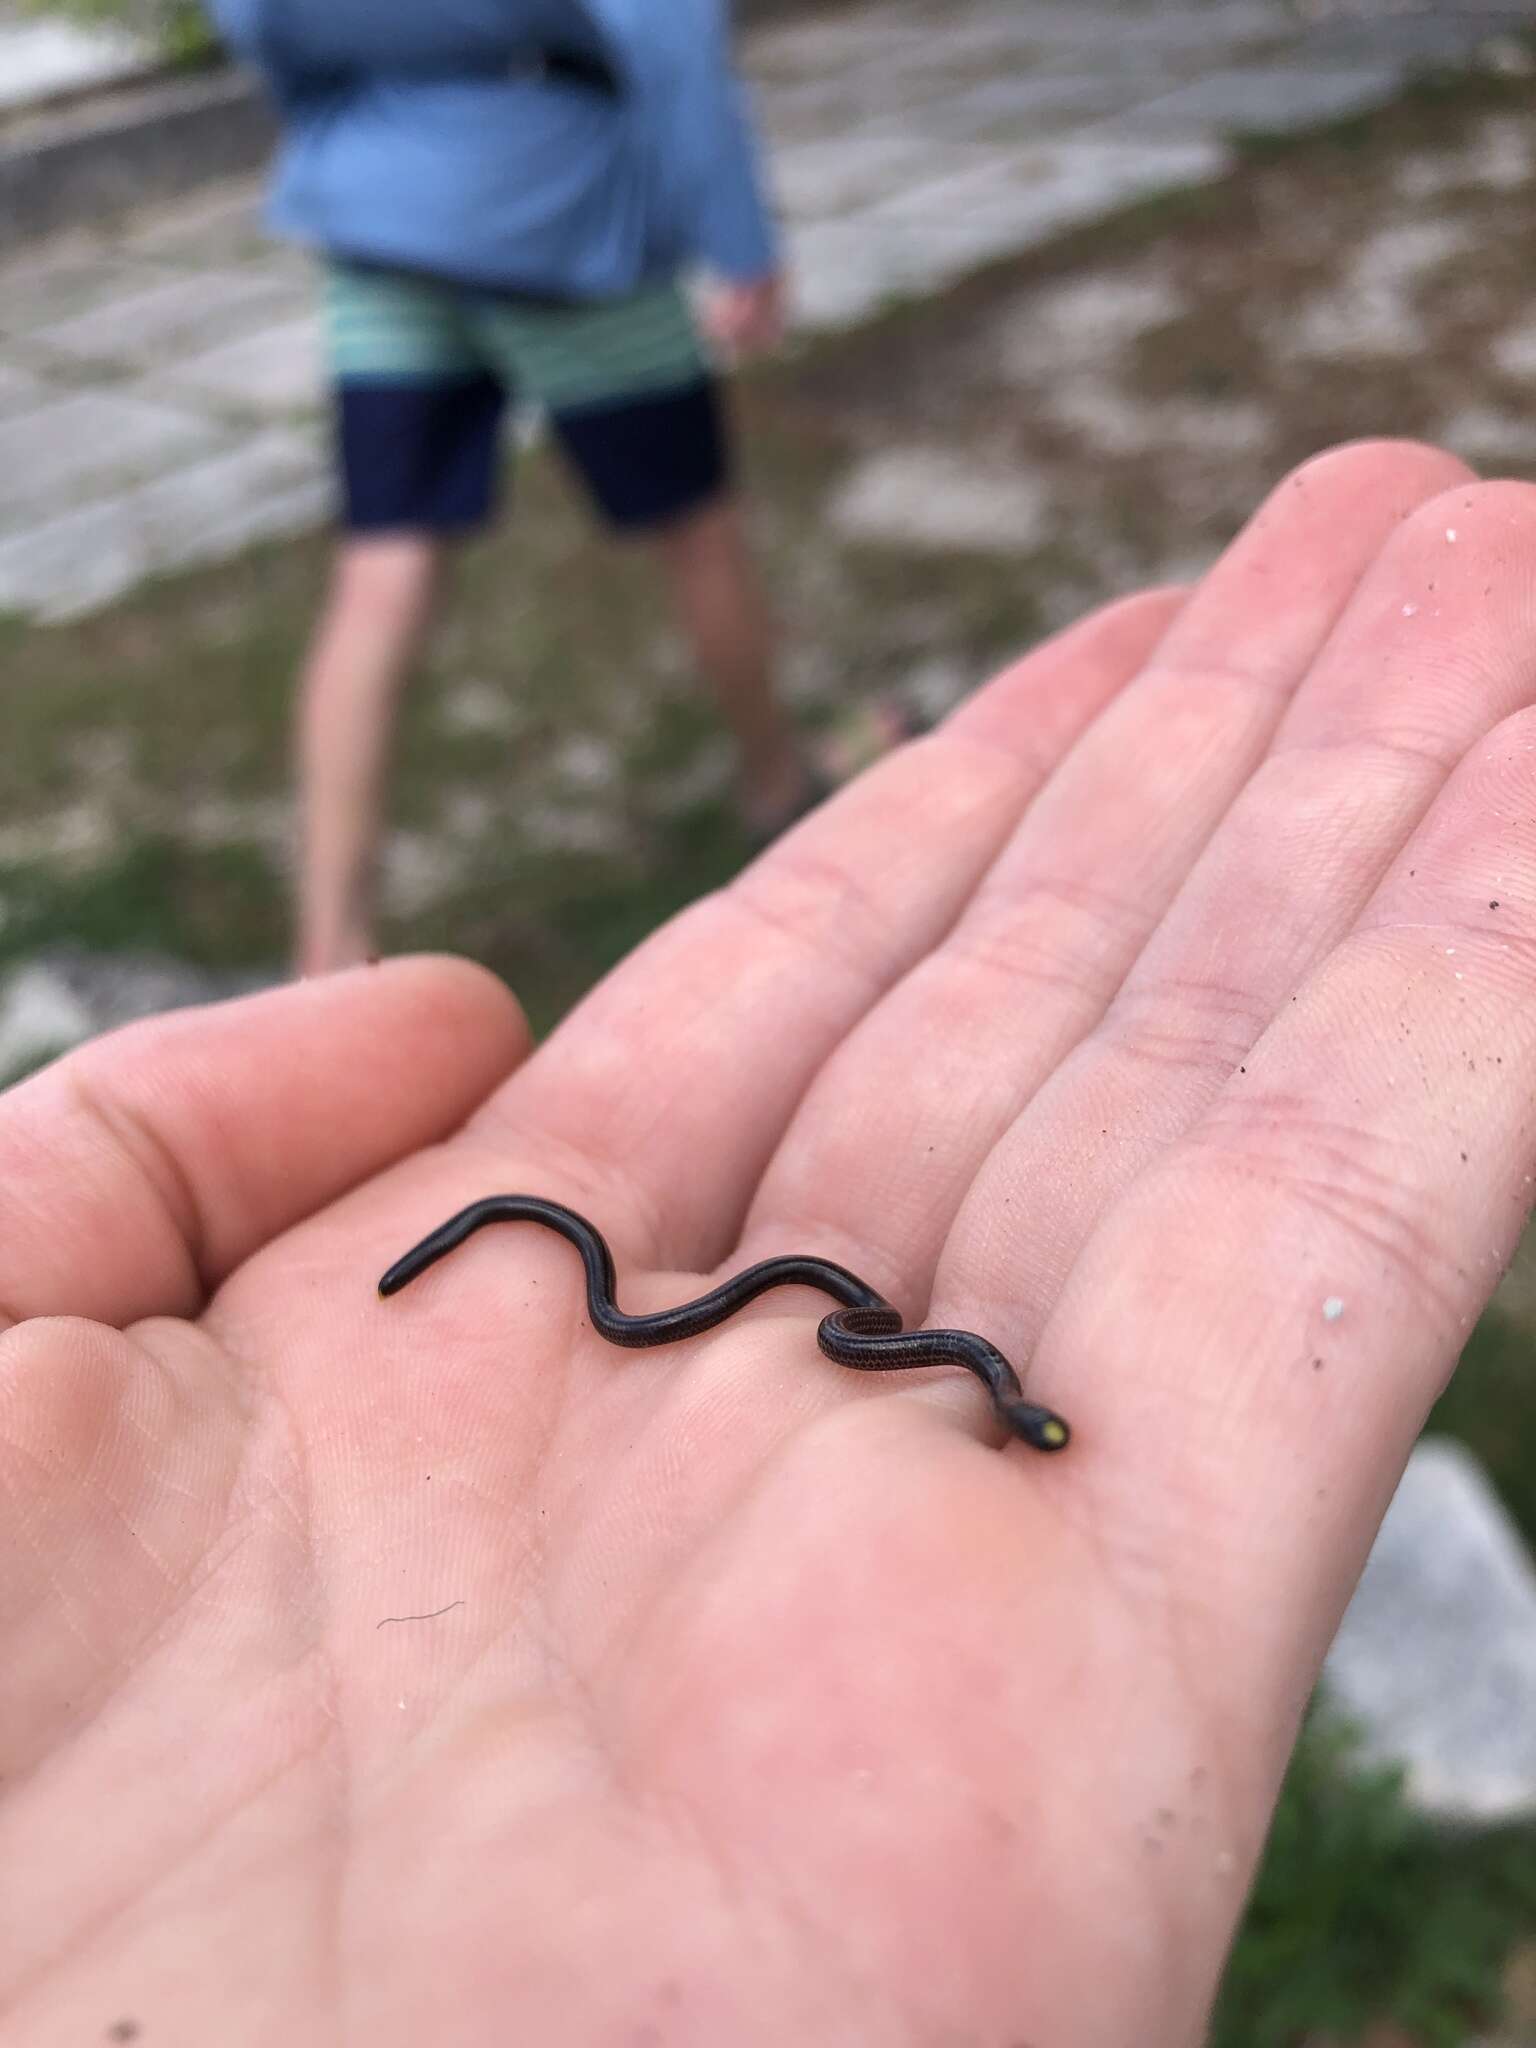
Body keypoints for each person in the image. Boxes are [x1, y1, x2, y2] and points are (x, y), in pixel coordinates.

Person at [3, 439, 1531, 2044]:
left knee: (802, 1308)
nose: (1023, 1409)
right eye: (1028, 1412)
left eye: (1026, 1416)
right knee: (690, 1296)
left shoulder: (895, 1337)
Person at [207, 0, 805, 975]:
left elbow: (255, 19)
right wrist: (739, 237)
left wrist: (356, 123)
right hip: (564, 212)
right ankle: (777, 781)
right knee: (696, 524)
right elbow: (667, 34)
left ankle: (330, 944)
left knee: (381, 566)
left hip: (381, 212)